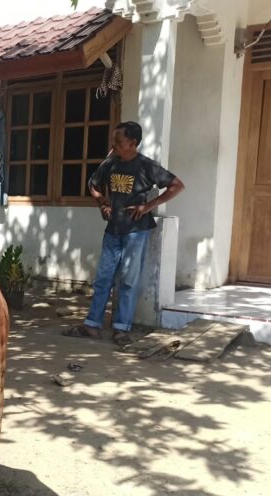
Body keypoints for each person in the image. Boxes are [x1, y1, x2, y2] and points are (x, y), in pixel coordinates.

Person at [63, 121, 185, 346]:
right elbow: (93, 184)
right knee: (103, 279)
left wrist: (147, 207)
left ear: (133, 143)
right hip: (113, 230)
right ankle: (92, 325)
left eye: (118, 141)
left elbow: (177, 185)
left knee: (129, 280)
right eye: (114, 140)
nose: (114, 145)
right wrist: (102, 203)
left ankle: (121, 328)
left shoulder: (147, 167)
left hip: (136, 232)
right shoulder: (110, 164)